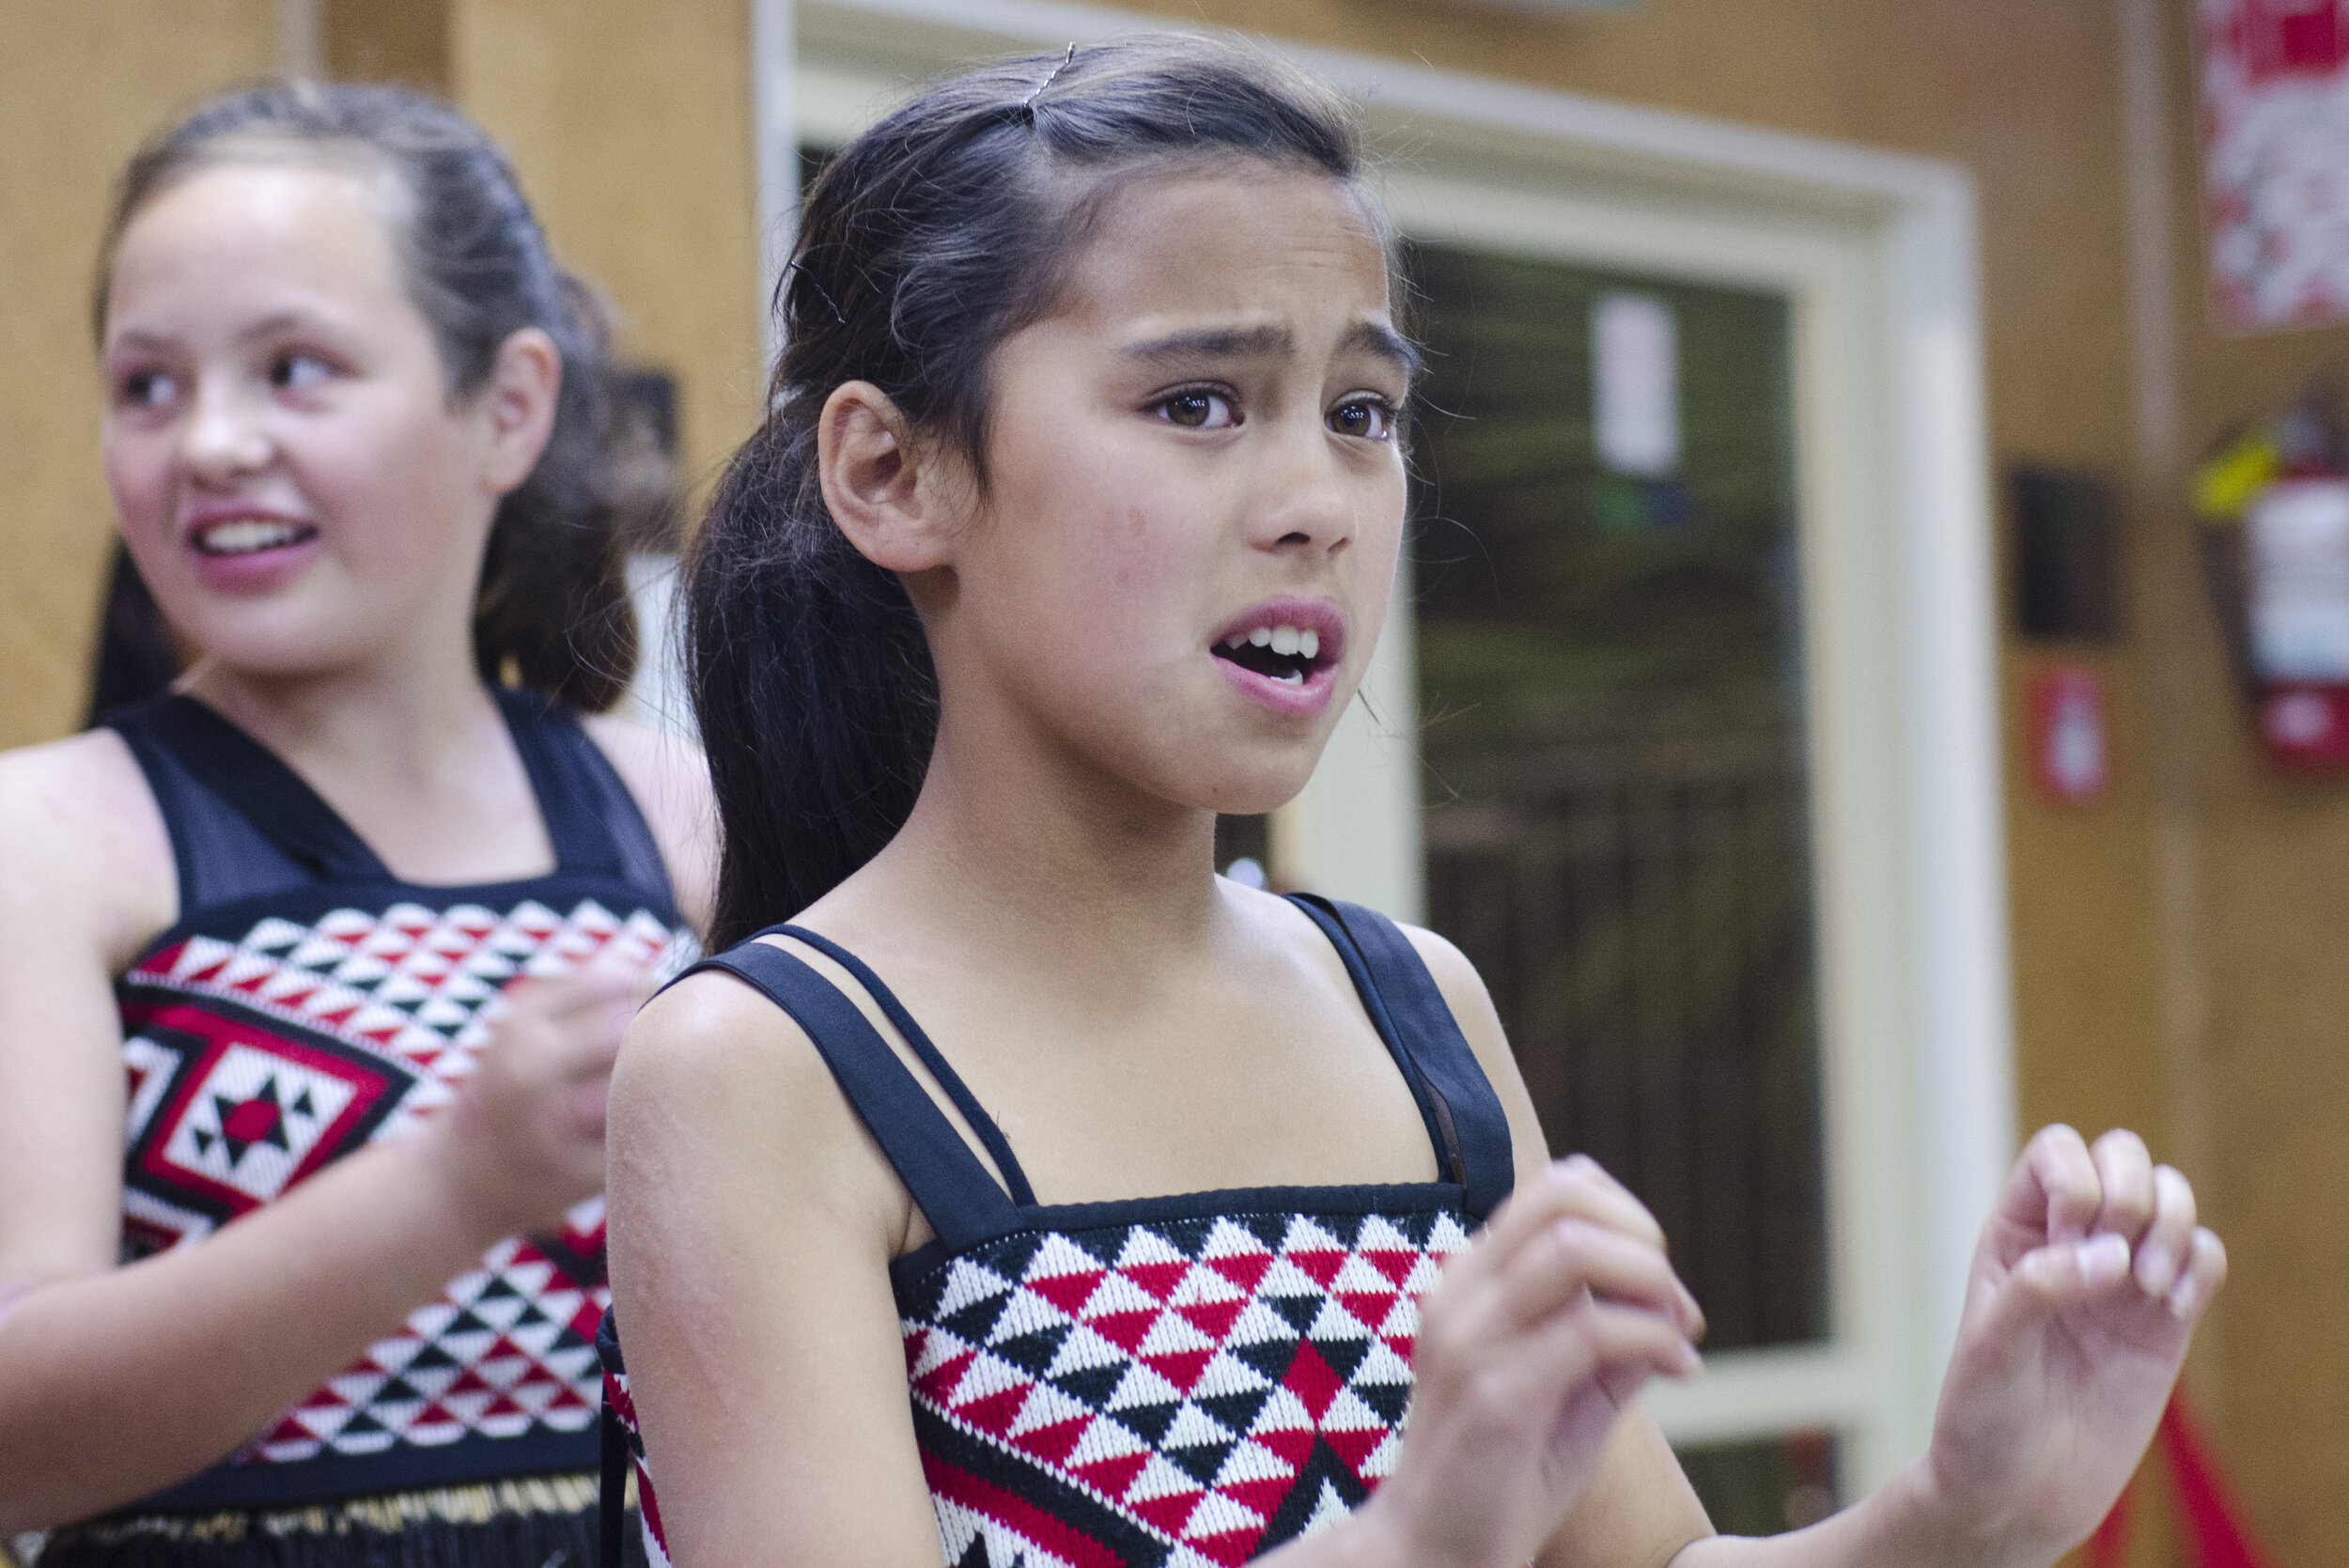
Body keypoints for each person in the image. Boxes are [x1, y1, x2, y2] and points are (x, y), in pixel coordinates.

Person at [599, 34, 2225, 1568]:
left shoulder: (1407, 1003)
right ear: (894, 473)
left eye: (1360, 414)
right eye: (1196, 404)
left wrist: (1967, 1508)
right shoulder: (765, 1070)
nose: (1316, 502)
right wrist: (1420, 1538)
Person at [0, 81, 713, 1564]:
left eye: (296, 369)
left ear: (506, 407)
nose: (207, 443)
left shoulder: (679, 816)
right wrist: (454, 1178)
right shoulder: (47, 839)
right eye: (147, 384)